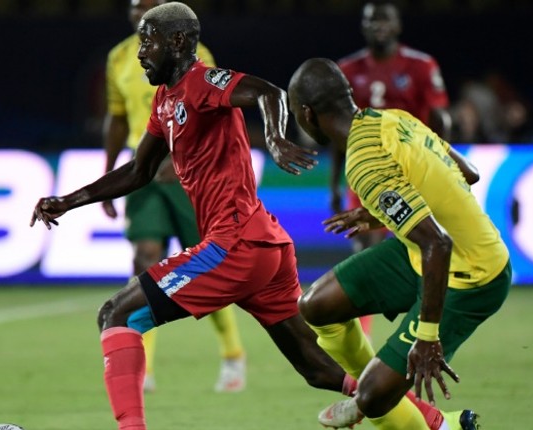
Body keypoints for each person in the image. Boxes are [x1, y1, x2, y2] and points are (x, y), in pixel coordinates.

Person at [30, 4, 363, 429]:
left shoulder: (202, 80)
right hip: (261, 245)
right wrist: (68, 200)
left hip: (236, 241)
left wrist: (276, 138)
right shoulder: (164, 101)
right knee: (318, 370)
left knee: (117, 314)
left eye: (149, 41)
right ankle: (432, 420)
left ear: (178, 41)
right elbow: (139, 170)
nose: (140, 51)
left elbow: (269, 93)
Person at [288, 58, 512, 430]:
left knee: (375, 399)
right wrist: (379, 214)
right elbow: (467, 174)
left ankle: (432, 421)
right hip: (421, 253)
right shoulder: (392, 118)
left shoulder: (363, 162)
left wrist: (427, 338)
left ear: (308, 115)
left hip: (472, 274)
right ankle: (377, 383)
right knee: (316, 305)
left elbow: (437, 244)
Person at [102, 0, 246, 394]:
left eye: (148, 6)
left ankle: (232, 354)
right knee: (145, 256)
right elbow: (117, 119)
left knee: (205, 264)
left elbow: (213, 106)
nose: (138, 13)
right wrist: (108, 171)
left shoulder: (197, 55)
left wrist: (184, 155)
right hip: (144, 171)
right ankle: (143, 364)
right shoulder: (119, 58)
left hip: (189, 175)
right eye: (134, 6)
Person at [332, 0, 452, 337]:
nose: (378, 26)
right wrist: (334, 186)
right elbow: (338, 135)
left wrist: (442, 165)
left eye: (384, 20)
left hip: (412, 173)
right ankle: (365, 339)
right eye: (371, 20)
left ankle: (422, 332)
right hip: (366, 173)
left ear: (398, 27)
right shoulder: (348, 69)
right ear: (363, 26)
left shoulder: (421, 66)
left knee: (421, 248)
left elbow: (440, 119)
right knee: (364, 250)